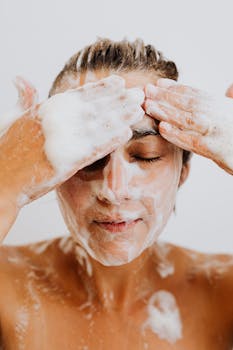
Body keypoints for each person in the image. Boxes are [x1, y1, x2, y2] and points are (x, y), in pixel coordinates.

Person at [0, 38, 233, 350]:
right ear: (47, 172)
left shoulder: (223, 293)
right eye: (90, 159)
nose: (114, 190)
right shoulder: (7, 289)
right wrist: (5, 180)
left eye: (146, 155)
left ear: (183, 172)